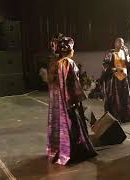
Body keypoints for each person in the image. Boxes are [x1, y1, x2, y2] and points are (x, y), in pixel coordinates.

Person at [47, 35, 97, 165]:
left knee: (63, 125)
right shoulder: (69, 63)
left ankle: (61, 150)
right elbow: (73, 83)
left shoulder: (56, 64)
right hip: (70, 101)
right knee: (73, 125)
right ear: (69, 50)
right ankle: (74, 152)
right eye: (73, 49)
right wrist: (77, 99)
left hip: (60, 102)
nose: (74, 51)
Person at [101, 38, 130, 123]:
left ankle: (124, 116)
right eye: (120, 42)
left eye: (123, 43)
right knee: (114, 98)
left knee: (123, 98)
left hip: (123, 79)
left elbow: (129, 65)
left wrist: (127, 54)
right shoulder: (110, 53)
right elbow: (105, 65)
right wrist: (114, 70)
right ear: (115, 43)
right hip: (113, 80)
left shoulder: (124, 53)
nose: (122, 44)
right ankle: (114, 117)